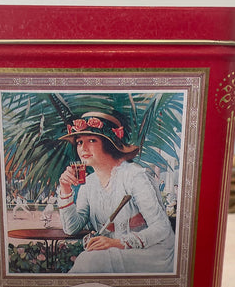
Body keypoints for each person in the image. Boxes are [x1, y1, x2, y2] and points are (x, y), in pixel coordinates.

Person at [57, 111, 176, 273]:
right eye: (79, 142)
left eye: (92, 140)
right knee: (90, 259)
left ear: (109, 143)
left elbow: (161, 228)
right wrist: (65, 190)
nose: (83, 148)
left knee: (91, 260)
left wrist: (117, 243)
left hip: (151, 254)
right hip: (111, 251)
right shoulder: (89, 184)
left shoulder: (134, 176)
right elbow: (71, 228)